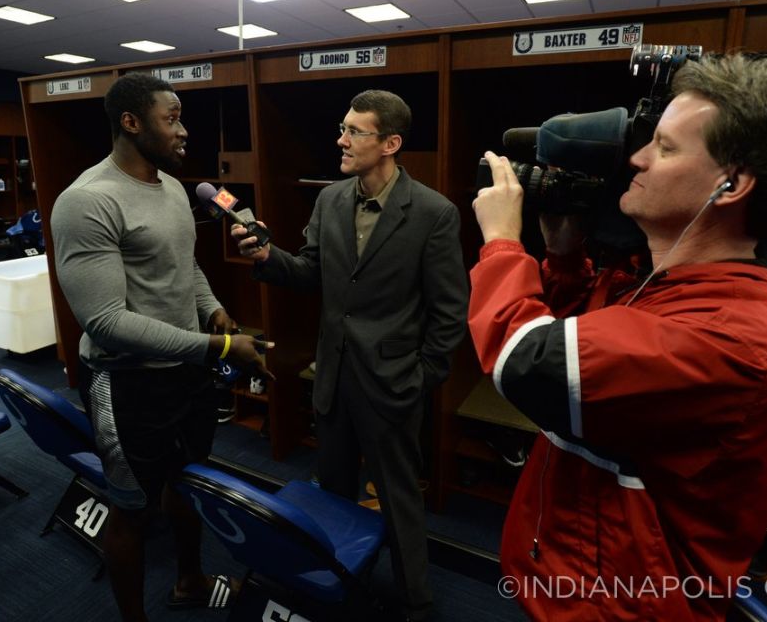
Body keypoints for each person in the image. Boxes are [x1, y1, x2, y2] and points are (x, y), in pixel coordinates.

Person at [469, 53, 767, 621]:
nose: (638, 158)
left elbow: (531, 364)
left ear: (732, 184)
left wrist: (501, 241)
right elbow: (585, 346)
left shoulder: (735, 335)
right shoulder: (661, 287)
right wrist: (564, 254)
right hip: (571, 584)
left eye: (666, 147)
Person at [231, 90, 468, 621]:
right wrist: (269, 257)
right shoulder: (330, 200)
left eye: (354, 132)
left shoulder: (434, 213)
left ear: (390, 143)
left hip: (394, 381)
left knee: (399, 496)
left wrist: (421, 377)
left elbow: (450, 311)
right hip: (333, 375)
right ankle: (333, 582)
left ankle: (414, 598)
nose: (341, 139)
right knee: (332, 490)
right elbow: (312, 271)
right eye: (342, 127)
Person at [50, 72, 272, 622]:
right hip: (127, 384)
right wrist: (219, 346)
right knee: (131, 510)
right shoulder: (86, 202)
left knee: (186, 480)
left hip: (186, 373)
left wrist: (213, 308)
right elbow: (105, 322)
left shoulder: (172, 187)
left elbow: (182, 265)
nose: (183, 131)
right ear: (131, 122)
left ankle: (190, 581)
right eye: (170, 118)